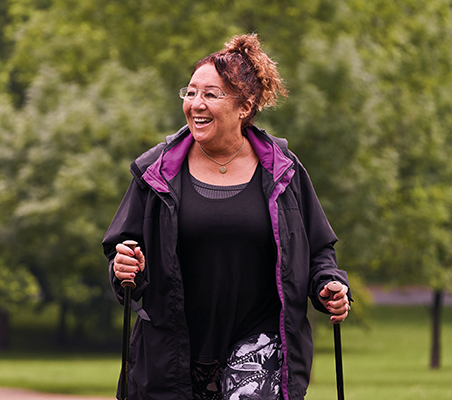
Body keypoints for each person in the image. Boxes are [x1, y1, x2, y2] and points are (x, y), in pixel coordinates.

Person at [102, 33, 350, 400]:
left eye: (210, 95)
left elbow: (318, 248)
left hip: (260, 341)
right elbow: (123, 250)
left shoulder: (282, 170)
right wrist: (125, 267)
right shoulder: (157, 172)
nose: (195, 104)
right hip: (174, 346)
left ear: (244, 107)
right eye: (190, 92)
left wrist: (328, 283)